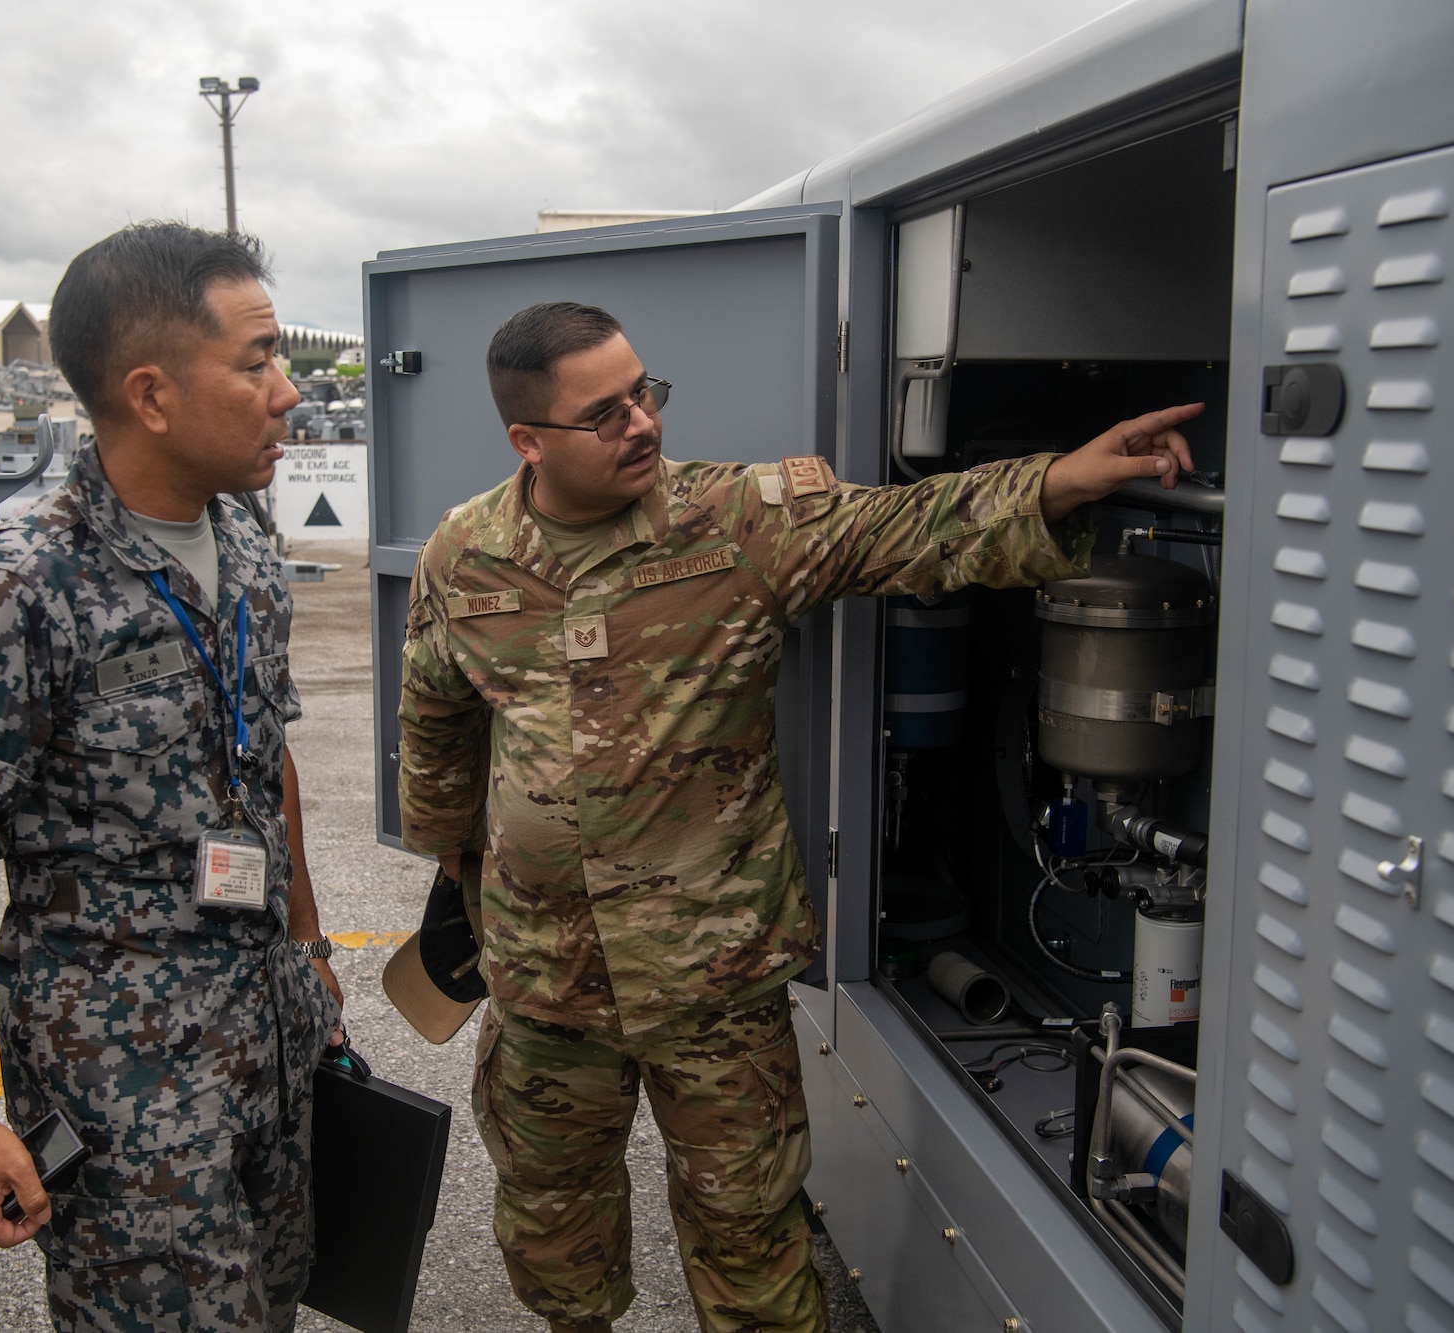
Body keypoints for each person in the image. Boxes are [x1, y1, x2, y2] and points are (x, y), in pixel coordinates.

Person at [396, 301, 1199, 1333]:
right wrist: (456, 868)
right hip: (545, 980)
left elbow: (913, 528)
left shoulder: (739, 518)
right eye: (603, 413)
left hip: (712, 980)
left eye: (644, 392)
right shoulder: (464, 552)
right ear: (528, 441)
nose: (640, 421)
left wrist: (1060, 478)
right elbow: (436, 720)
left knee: (751, 1236)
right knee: (554, 1227)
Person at [0, 222, 342, 1333]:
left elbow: (261, 756)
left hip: (264, 1035)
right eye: (256, 362)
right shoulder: (19, 582)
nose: (287, 393)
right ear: (150, 394)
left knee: (269, 1303)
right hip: (124, 1080)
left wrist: (309, 948)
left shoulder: (240, 543)